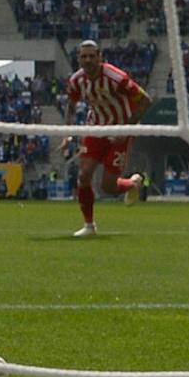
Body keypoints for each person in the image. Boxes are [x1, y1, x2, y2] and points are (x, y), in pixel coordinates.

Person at [62, 38, 149, 238]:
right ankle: (89, 225)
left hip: (120, 129)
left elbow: (145, 100)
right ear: (78, 59)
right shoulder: (77, 81)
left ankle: (133, 183)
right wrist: (66, 133)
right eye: (84, 57)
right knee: (83, 176)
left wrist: (125, 129)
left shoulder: (116, 77)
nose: (88, 60)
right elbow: (71, 106)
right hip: (95, 129)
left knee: (108, 186)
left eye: (92, 56)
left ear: (100, 57)